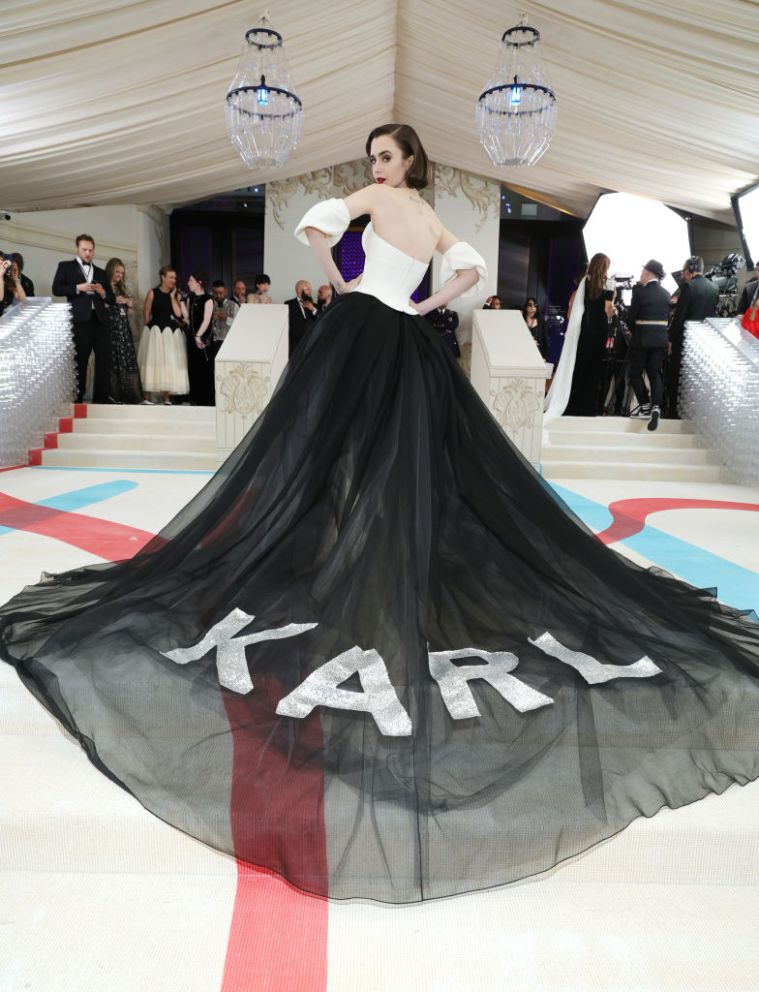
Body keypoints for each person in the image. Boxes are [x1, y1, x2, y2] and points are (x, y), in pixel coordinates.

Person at [3, 123, 759, 908]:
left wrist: (351, 278)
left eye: (385, 156)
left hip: (363, 324)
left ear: (405, 162)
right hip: (402, 332)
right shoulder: (432, 220)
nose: (376, 166)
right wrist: (416, 299)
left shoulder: (374, 200)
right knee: (398, 457)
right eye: (374, 158)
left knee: (338, 452)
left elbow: (316, 229)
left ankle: (341, 553)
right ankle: (369, 553)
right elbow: (465, 272)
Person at [52, 234, 115, 403]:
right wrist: (78, 287)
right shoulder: (65, 266)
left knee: (103, 361)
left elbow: (112, 299)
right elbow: (56, 289)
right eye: (84, 249)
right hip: (81, 320)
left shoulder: (101, 272)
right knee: (80, 360)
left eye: (90, 250)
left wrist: (102, 292)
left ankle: (102, 399)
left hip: (101, 320)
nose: (88, 253)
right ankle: (77, 398)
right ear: (77, 248)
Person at [666, 255, 718, 417]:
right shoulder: (714, 288)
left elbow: (680, 317)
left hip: (684, 342)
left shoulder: (688, 287)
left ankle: (674, 413)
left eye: (683, 271)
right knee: (695, 380)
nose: (682, 274)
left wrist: (670, 339)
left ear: (690, 270)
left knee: (677, 378)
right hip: (702, 342)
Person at [563, 253, 614, 416]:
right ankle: (588, 407)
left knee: (580, 367)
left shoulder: (585, 282)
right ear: (605, 267)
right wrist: (614, 312)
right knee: (594, 368)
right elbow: (608, 310)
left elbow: (575, 310)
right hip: (600, 330)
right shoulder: (609, 284)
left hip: (585, 329)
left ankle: (572, 405)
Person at [626, 259, 670, 432]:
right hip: (660, 339)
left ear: (648, 273)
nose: (640, 274)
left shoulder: (640, 293)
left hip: (642, 338)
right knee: (654, 373)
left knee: (634, 373)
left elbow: (631, 319)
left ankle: (644, 405)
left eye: (642, 271)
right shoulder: (666, 294)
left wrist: (632, 329)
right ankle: (656, 406)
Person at [138, 266, 189, 405]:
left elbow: (178, 314)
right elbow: (146, 313)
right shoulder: (152, 292)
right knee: (152, 361)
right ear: (163, 277)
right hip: (154, 331)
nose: (174, 280)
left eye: (175, 278)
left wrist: (173, 298)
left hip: (170, 333)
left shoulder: (175, 294)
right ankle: (147, 397)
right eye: (171, 277)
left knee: (168, 361)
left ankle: (167, 398)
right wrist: (150, 329)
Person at [105, 257, 144, 404]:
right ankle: (114, 396)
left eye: (122, 273)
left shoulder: (122, 288)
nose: (119, 276)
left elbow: (130, 313)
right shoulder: (104, 287)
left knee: (127, 360)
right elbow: (101, 307)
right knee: (114, 362)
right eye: (117, 272)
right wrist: (114, 301)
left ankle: (132, 396)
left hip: (123, 329)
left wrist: (130, 305)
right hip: (111, 329)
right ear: (110, 270)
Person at [182, 271, 214, 405]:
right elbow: (187, 319)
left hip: (203, 338)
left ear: (199, 282)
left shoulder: (208, 299)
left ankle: (206, 399)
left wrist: (198, 336)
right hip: (192, 338)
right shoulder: (190, 297)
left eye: (191, 280)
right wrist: (182, 303)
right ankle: (194, 398)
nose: (188, 283)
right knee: (192, 367)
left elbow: (207, 320)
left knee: (204, 368)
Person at [284, 279, 317, 356]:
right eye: (307, 289)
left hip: (311, 346)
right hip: (294, 346)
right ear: (299, 290)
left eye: (310, 289)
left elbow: (321, 320)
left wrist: (313, 309)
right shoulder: (289, 304)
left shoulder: (315, 305)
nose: (310, 291)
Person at [210, 280, 238, 352]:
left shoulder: (234, 305)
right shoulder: (209, 304)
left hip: (229, 341)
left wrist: (226, 318)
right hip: (212, 342)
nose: (218, 295)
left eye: (221, 293)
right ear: (212, 292)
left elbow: (238, 325)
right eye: (216, 293)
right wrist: (211, 319)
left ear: (225, 291)